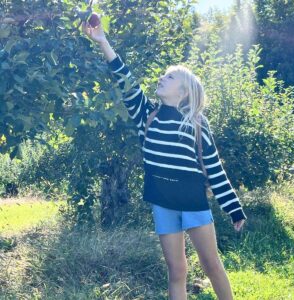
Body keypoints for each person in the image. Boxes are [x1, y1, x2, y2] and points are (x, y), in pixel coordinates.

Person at [82, 14, 247, 300]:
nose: (162, 77)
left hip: (193, 202)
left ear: (184, 92)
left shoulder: (196, 123)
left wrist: (233, 208)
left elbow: (214, 169)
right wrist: (102, 41)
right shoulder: (147, 115)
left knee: (211, 265)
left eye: (170, 77)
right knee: (176, 271)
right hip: (162, 203)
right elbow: (126, 81)